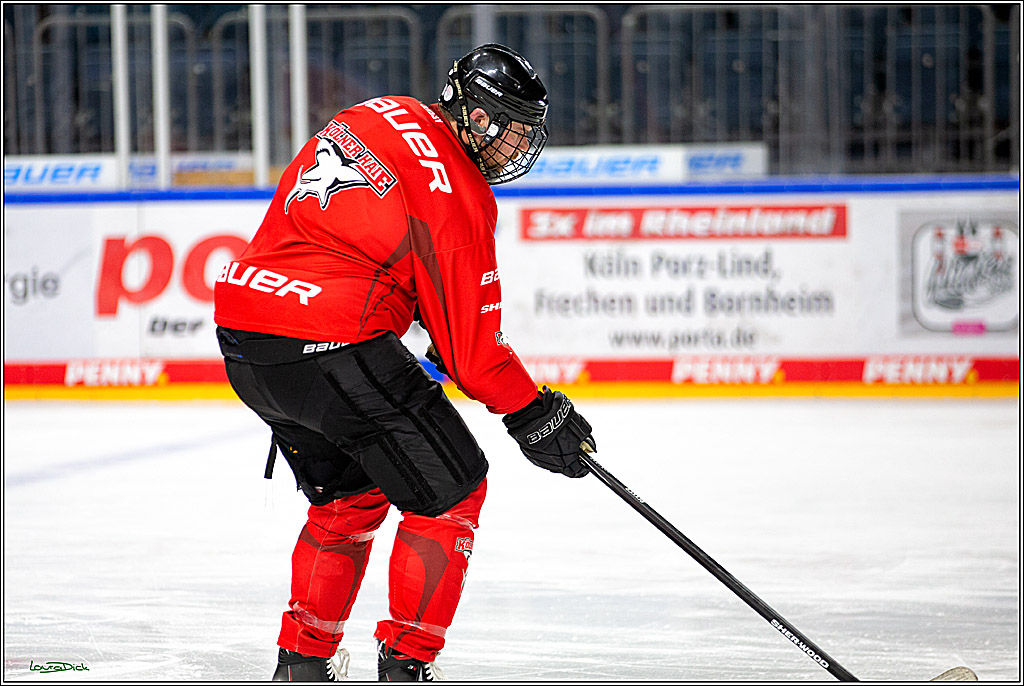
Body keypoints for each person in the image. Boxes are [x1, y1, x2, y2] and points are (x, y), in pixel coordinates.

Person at [213, 43, 597, 682]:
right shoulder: (459, 198)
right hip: (335, 339)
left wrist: (432, 358)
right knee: (451, 492)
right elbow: (473, 353)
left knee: (349, 500)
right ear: (470, 113)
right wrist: (535, 414)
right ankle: (406, 666)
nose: (515, 148)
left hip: (249, 335)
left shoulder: (385, 111)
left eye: (527, 133)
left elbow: (358, 246)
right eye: (506, 128)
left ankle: (302, 664)